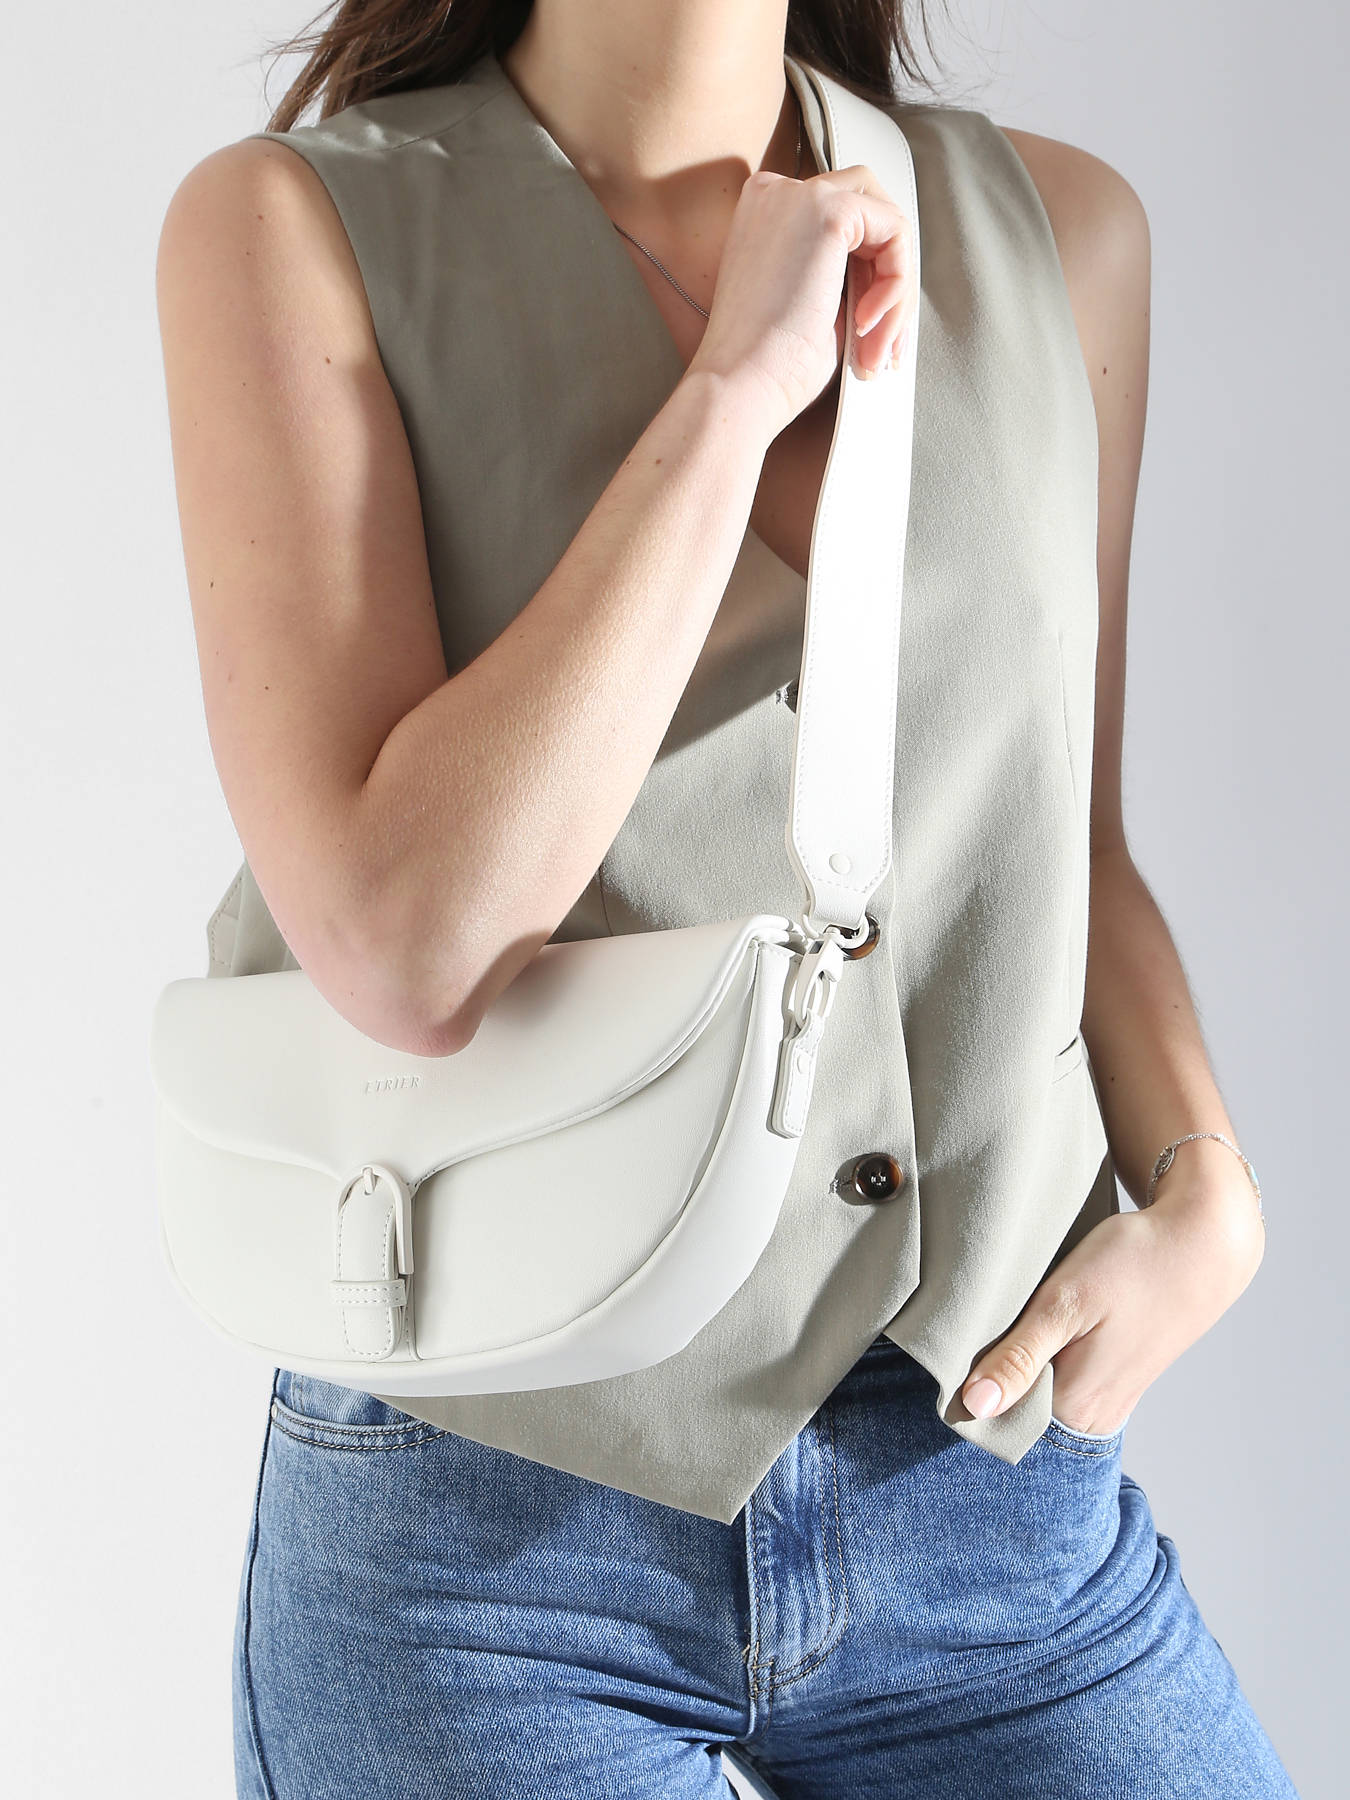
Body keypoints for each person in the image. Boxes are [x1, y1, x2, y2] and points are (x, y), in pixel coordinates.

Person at [155, 1, 1297, 1794]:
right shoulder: (294, 225)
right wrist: (729, 394)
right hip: (488, 1531)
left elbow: (1064, 837)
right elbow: (401, 944)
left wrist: (1205, 1185)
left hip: (988, 1493)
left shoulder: (1058, 234)